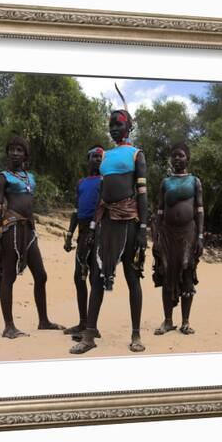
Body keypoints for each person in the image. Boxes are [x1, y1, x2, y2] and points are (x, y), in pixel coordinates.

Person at [70, 99, 148, 354]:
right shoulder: (105, 156)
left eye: (119, 124)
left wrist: (144, 228)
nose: (114, 128)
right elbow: (103, 194)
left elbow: (142, 194)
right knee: (97, 277)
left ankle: (136, 334)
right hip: (106, 223)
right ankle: (89, 334)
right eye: (111, 125)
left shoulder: (136, 154)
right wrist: (93, 226)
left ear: (129, 127)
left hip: (129, 223)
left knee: (132, 277)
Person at [0, 135, 65, 338]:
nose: (15, 152)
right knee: (9, 276)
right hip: (11, 230)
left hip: (29, 231)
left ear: (25, 155)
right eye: (12, 149)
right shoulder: (2, 177)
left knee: (41, 275)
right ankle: (9, 326)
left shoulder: (30, 177)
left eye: (19, 150)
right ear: (7, 153)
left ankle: (43, 321)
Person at [153, 143, 204, 336]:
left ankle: (185, 322)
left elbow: (200, 210)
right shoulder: (165, 182)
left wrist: (200, 236)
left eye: (181, 155)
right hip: (167, 235)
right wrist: (156, 237)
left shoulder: (194, 181)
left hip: (188, 235)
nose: (177, 159)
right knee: (167, 274)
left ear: (187, 158)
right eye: (174, 155)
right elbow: (159, 211)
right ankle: (167, 321)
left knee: (187, 273)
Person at [63, 145, 104, 341]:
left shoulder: (105, 181)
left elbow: (103, 207)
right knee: (78, 277)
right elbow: (75, 210)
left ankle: (91, 326)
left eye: (100, 157)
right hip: (82, 232)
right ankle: (82, 321)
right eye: (94, 157)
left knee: (95, 278)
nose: (97, 160)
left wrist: (95, 230)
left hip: (98, 233)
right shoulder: (81, 182)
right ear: (88, 159)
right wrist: (69, 234)